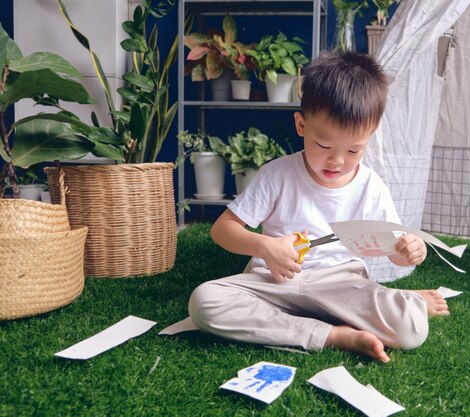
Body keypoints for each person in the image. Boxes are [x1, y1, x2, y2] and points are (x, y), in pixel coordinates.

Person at [188, 51, 449, 363]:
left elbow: (391, 248)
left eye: (354, 149)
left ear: (370, 136)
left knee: (411, 328)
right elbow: (222, 231)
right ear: (301, 125)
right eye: (324, 146)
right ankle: (334, 335)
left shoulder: (371, 186)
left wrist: (407, 251)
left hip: (341, 284)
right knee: (205, 301)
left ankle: (397, 301)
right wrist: (266, 246)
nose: (337, 161)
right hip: (275, 283)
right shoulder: (277, 174)